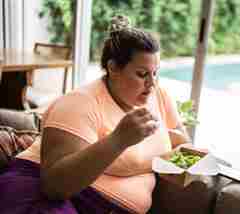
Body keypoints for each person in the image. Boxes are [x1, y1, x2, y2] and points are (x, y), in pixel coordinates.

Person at [0, 15, 189, 214]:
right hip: (41, 191)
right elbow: (54, 186)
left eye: (155, 73)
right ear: (113, 68)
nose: (152, 84)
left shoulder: (159, 96)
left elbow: (182, 140)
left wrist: (181, 159)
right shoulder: (80, 103)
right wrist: (118, 140)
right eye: (142, 74)